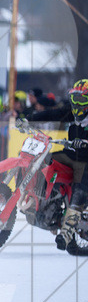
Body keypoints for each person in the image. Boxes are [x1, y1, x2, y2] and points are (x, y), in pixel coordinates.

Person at [52, 80, 88, 252]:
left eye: (80, 99)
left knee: (80, 189)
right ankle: (49, 201)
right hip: (78, 159)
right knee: (51, 157)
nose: (76, 103)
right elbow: (54, 113)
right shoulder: (74, 118)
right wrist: (28, 118)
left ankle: (66, 233)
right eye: (74, 98)